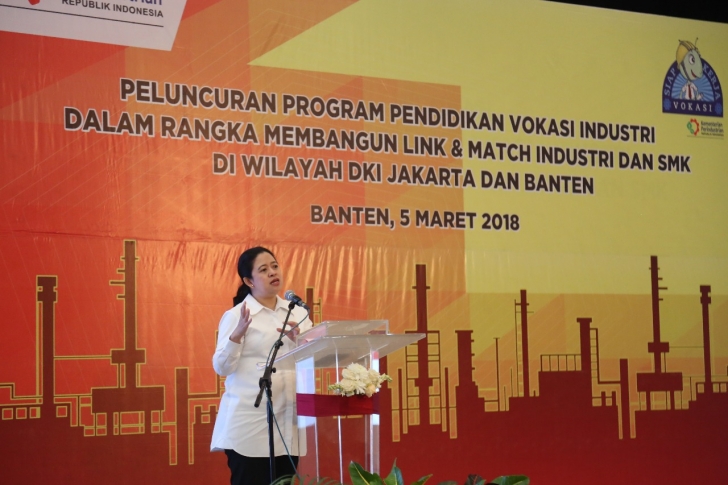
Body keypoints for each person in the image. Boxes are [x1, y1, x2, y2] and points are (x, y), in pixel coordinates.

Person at [211, 246, 312, 485]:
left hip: (288, 423)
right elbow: (221, 368)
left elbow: (312, 361)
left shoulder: (298, 314)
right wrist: (236, 336)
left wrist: (301, 341)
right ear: (249, 281)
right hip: (249, 424)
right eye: (264, 270)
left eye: (275, 266)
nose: (273, 272)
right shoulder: (237, 316)